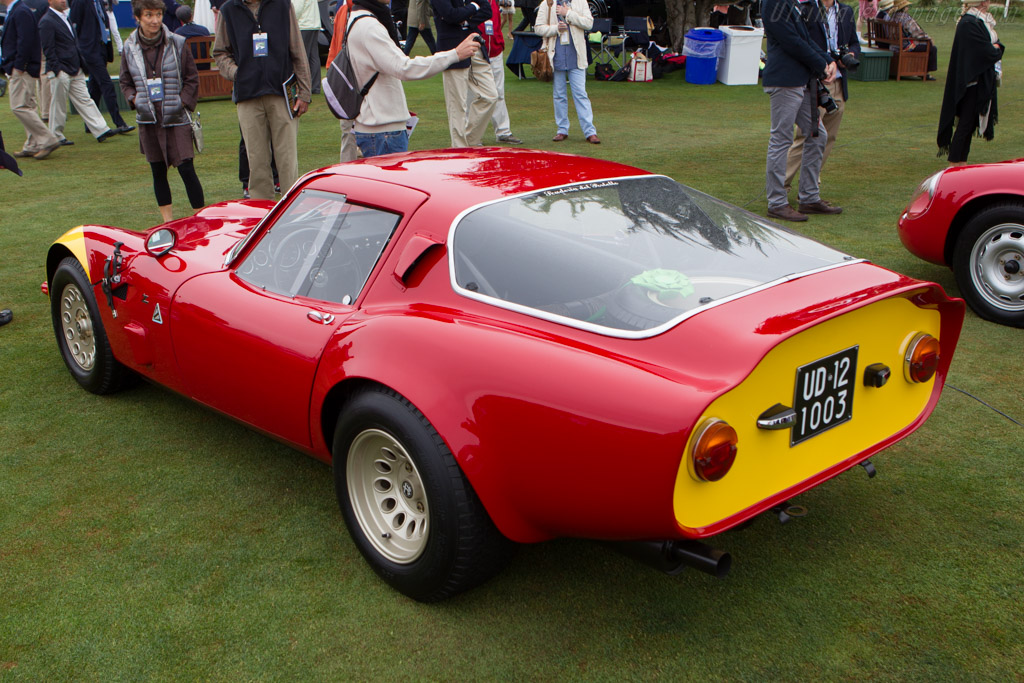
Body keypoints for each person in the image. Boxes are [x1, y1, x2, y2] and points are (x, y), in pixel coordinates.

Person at [346, 0, 479, 157]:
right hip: (382, 131)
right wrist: (454, 54)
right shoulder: (368, 25)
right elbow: (404, 68)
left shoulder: (361, 19)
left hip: (381, 127)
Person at [213, 0, 312, 200]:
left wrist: (304, 93)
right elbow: (220, 52)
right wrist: (238, 73)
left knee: (287, 161)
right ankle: (261, 216)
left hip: (282, 93)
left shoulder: (283, 5)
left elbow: (297, 50)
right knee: (256, 162)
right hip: (248, 96)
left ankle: (290, 213)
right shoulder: (228, 10)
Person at [120, 0, 204, 221]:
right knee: (157, 171)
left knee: (187, 169)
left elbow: (191, 79)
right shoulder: (128, 47)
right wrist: (134, 99)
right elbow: (125, 81)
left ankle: (201, 219)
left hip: (176, 118)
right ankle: (167, 223)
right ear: (138, 17)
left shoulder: (177, 43)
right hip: (148, 119)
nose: (155, 20)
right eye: (149, 15)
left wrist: (182, 102)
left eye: (158, 14)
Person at [762, 0, 840, 222]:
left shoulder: (790, 3)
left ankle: (809, 197)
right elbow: (791, 42)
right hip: (785, 80)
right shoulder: (772, 3)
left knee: (817, 134)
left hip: (800, 81)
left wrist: (828, 60)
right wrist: (820, 64)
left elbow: (805, 39)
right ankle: (776, 202)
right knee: (781, 138)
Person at [785, 0, 860, 190]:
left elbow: (854, 42)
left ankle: (809, 185)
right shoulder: (806, 9)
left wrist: (850, 54)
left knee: (829, 138)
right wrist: (824, 62)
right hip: (814, 82)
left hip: (838, 83)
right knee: (806, 135)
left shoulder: (845, 11)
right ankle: (780, 184)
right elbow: (801, 43)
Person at [39, 0, 117, 144]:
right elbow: (48, 49)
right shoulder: (46, 21)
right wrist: (57, 69)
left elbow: (74, 42)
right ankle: (56, 135)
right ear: (50, 1)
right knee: (59, 103)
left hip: (75, 67)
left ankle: (101, 129)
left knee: (85, 99)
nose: (63, 1)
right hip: (61, 70)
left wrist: (80, 63)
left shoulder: (65, 17)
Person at [937, 0, 1003, 165]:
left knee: (970, 124)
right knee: (965, 124)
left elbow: (995, 46)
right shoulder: (968, 23)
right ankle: (955, 163)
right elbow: (989, 51)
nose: (988, 3)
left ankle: (961, 162)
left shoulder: (978, 21)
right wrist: (996, 48)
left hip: (978, 80)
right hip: (971, 82)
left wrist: (996, 48)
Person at [1, 0, 64, 159]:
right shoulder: (18, 10)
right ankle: (33, 143)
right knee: (27, 105)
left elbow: (26, 41)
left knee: (19, 106)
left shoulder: (20, 11)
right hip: (22, 67)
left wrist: (19, 66)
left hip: (22, 69)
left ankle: (47, 139)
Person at [431, 0, 498, 147]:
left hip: (475, 47)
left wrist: (464, 18)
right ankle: (459, 149)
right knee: (457, 105)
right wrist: (473, 7)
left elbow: (487, 10)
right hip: (453, 49)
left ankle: (468, 142)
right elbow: (450, 15)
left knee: (490, 96)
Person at [535, 0, 598, 144]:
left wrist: (568, 13)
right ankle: (562, 129)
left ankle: (590, 131)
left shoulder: (580, 2)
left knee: (581, 94)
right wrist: (555, 28)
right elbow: (538, 28)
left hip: (576, 56)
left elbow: (589, 23)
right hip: (555, 56)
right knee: (559, 95)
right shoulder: (548, 3)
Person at [68, 0, 135, 133]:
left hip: (101, 48)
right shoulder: (80, 3)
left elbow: (104, 23)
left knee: (95, 88)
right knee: (106, 84)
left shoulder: (98, 2)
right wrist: (81, 48)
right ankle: (119, 122)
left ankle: (90, 124)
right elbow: (73, 26)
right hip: (89, 51)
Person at [470, 0, 520, 143]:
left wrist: (499, 41)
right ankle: (473, 135)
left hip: (495, 50)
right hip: (477, 50)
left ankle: (503, 131)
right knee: (475, 95)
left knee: (499, 92)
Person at [325, 0, 359, 161]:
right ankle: (348, 171)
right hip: (345, 77)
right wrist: (331, 66)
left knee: (365, 132)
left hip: (363, 78)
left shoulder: (366, 11)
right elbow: (335, 42)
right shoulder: (343, 10)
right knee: (347, 131)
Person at [889, 0, 937, 78]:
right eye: (907, 6)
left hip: (894, 46)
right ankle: (925, 72)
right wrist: (928, 38)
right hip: (905, 46)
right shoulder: (906, 18)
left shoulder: (892, 17)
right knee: (932, 48)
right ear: (904, 8)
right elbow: (917, 33)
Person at [292, 0, 321, 94]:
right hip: (313, 24)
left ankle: (303, 86)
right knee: (313, 57)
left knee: (302, 57)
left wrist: (290, 21)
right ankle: (315, 87)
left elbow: (296, 9)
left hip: (303, 25)